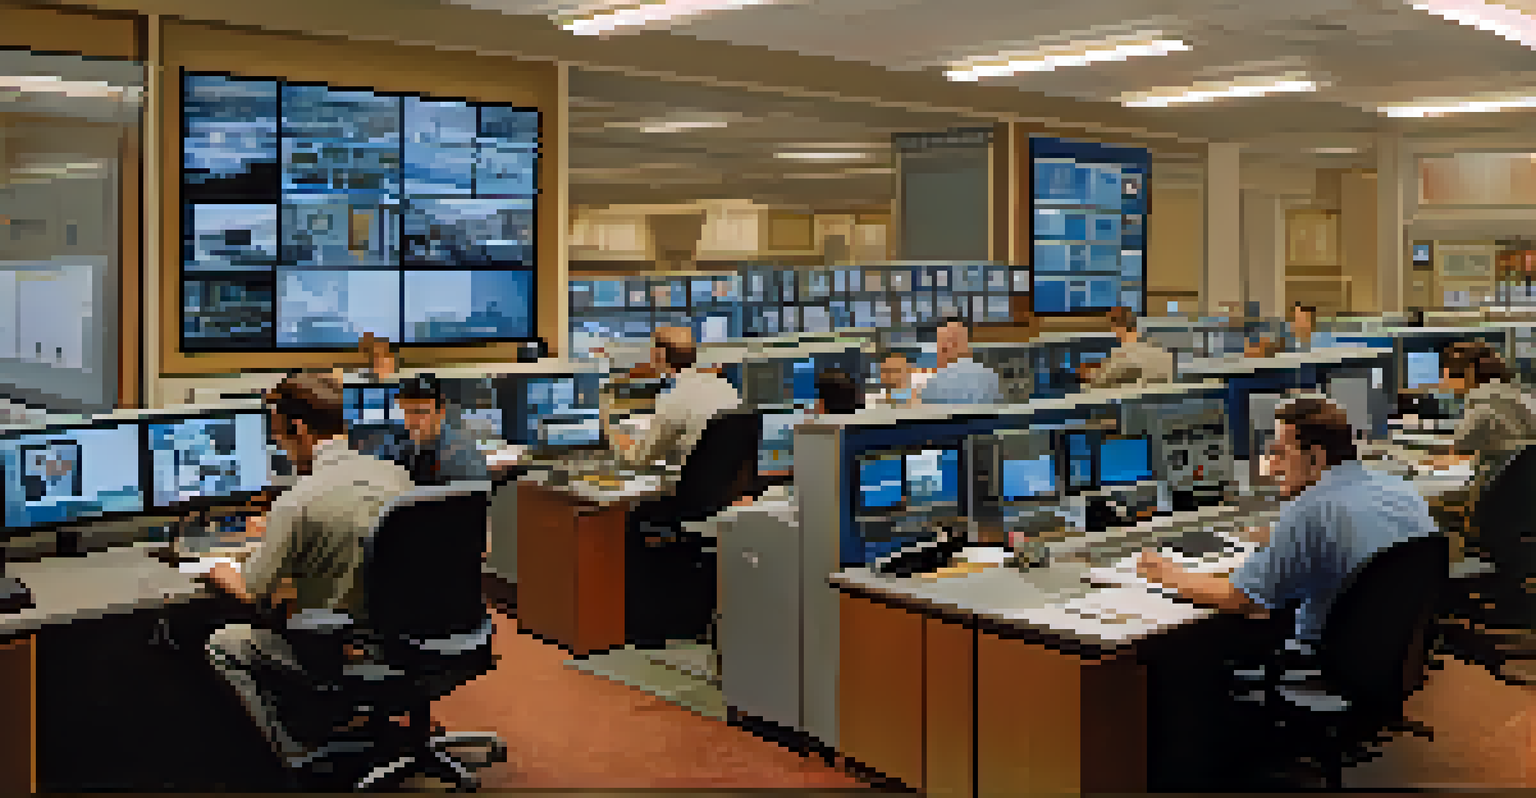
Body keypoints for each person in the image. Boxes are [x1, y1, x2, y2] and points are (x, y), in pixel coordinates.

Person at [201, 373, 416, 771]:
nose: (279, 446)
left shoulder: (297, 501)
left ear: (298, 429)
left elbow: (252, 590)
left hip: (348, 647)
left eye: (278, 435)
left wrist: (218, 569)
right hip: (416, 638)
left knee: (225, 643)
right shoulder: (396, 476)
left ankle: (291, 757)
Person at [1136, 397, 1438, 652]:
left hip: (1329, 658)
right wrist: (1281, 536)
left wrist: (1166, 573)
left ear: (1315, 457)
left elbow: (1244, 599)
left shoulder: (1311, 508)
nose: (1271, 467)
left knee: (1184, 648)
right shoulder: (1400, 490)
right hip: (1391, 654)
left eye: (1280, 453)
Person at [610, 326, 741, 470]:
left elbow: (639, 458)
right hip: (722, 480)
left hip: (686, 481)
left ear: (659, 355)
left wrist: (610, 427)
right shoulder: (728, 389)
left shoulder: (674, 397)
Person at [392, 374, 491, 484]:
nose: (409, 423)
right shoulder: (412, 444)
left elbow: (474, 492)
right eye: (406, 412)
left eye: (419, 412)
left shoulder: (461, 454)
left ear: (441, 411)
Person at [1085, 306, 1175, 388]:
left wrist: (1089, 372)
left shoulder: (1123, 354)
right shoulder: (1162, 352)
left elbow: (1098, 379)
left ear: (1117, 328)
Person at [920, 319, 1003, 405]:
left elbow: (925, 407)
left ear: (946, 348)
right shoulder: (990, 375)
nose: (938, 354)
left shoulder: (936, 383)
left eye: (940, 348)